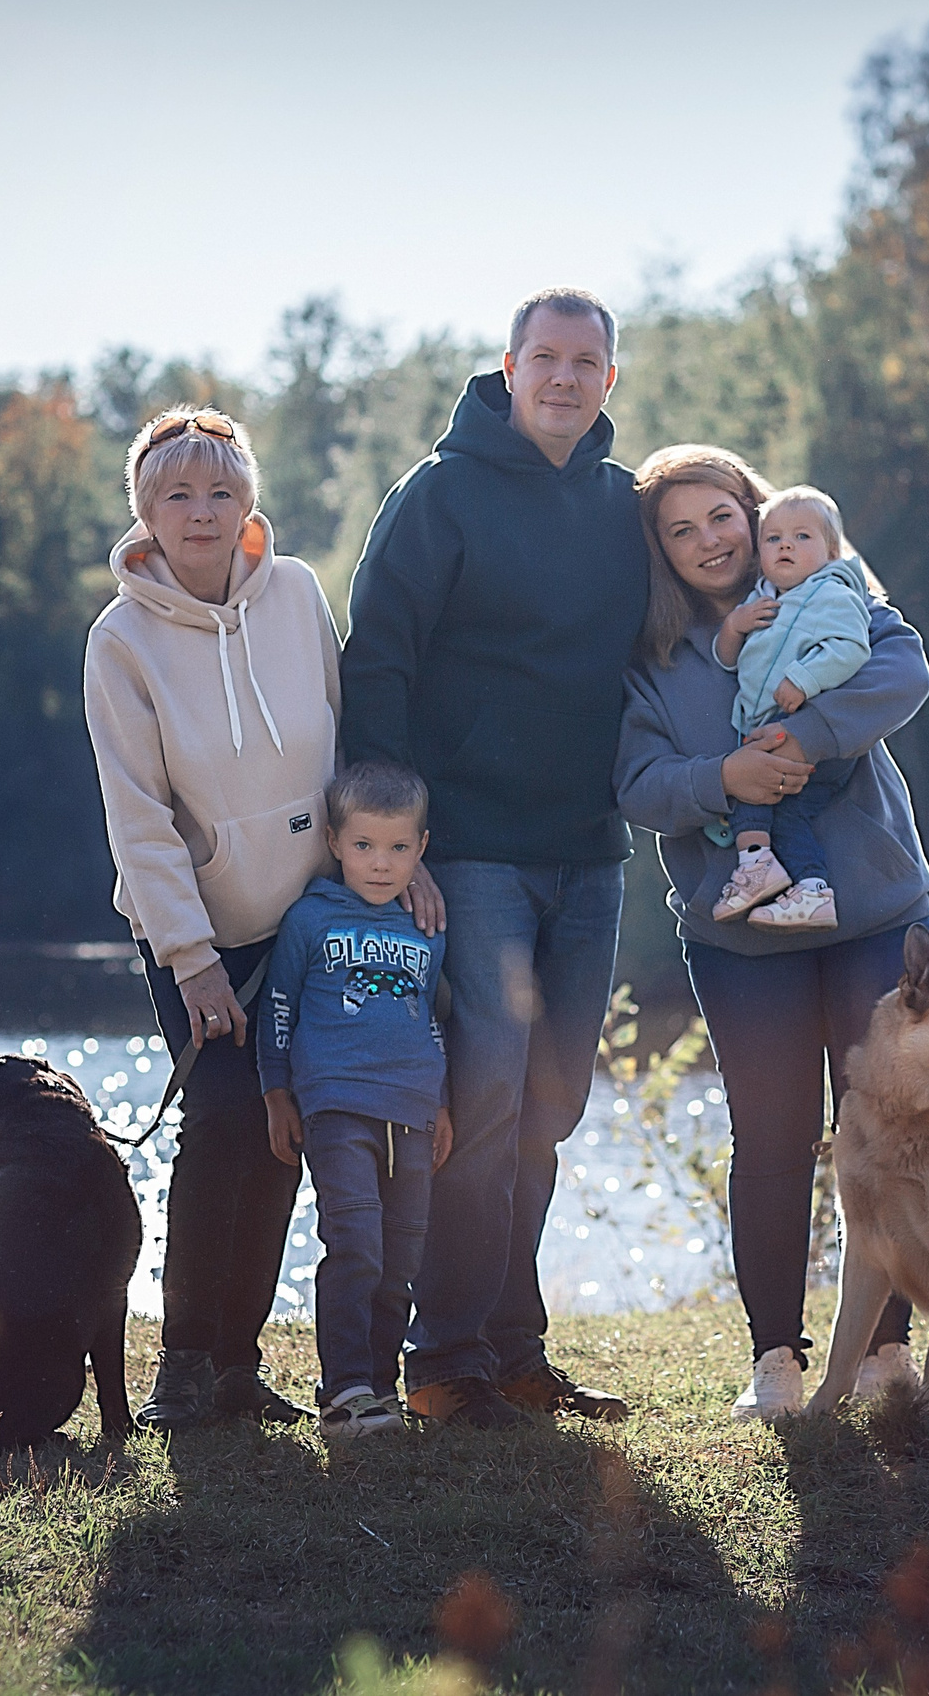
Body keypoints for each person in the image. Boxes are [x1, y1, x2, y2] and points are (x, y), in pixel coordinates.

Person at [84, 405, 441, 1432]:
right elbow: (136, 815)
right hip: (199, 929)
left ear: (249, 503)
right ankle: (183, 1364)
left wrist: (383, 871)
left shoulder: (293, 594)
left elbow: (342, 751)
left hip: (311, 925)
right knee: (228, 1118)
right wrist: (191, 959)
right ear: (145, 514)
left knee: (292, 1128)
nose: (203, 511)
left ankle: (239, 1363)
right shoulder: (120, 640)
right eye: (178, 494)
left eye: (221, 490)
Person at [338, 288, 648, 1428]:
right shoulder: (439, 493)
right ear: (508, 368)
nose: (565, 378)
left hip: (589, 852)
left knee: (551, 1103)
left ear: (609, 378)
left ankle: (516, 1348)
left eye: (586, 361)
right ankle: (446, 1358)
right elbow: (379, 666)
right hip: (470, 853)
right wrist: (399, 841)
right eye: (545, 358)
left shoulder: (626, 507)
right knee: (486, 1090)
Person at [614, 444, 929, 1422]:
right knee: (770, 1140)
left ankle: (884, 1350)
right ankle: (776, 1360)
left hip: (872, 911)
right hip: (740, 938)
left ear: (755, 516)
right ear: (660, 552)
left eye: (722, 516)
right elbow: (635, 783)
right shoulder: (655, 661)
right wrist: (723, 779)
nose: (708, 539)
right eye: (681, 529)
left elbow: (904, 669)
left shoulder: (831, 591)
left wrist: (807, 735)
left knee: (885, 1128)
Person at [259, 762, 455, 1440]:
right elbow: (278, 1007)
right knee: (357, 1246)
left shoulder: (426, 928)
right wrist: (276, 1093)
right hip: (337, 1107)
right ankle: (343, 1393)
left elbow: (428, 1018)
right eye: (365, 846)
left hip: (413, 1111)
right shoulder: (310, 918)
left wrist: (443, 1104)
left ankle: (379, 1390)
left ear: (421, 848)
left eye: (399, 848)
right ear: (336, 842)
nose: (381, 864)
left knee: (402, 1259)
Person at [710, 483, 877, 933]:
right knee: (775, 805)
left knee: (763, 795)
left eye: (803, 537)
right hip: (766, 723)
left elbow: (851, 649)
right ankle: (800, 883)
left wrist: (802, 680)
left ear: (831, 550)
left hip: (811, 730)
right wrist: (733, 626)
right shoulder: (764, 598)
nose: (786, 545)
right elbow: (727, 661)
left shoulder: (832, 594)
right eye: (773, 538)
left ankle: (772, 872)